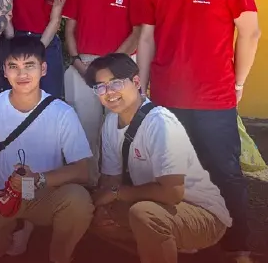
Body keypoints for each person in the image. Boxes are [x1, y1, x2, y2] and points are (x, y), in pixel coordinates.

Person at [138, 0, 260, 263]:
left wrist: (239, 81)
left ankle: (237, 245)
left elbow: (250, 32)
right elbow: (146, 38)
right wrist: (142, 86)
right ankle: (191, 232)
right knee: (175, 172)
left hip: (214, 97)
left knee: (224, 171)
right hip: (166, 97)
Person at [0, 35, 93, 262]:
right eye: (13, 66)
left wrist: (39, 179)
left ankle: (59, 256)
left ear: (43, 69)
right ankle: (9, 233)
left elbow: (82, 170)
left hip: (44, 192)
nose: (22, 74)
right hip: (2, 192)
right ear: (4, 71)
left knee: (79, 201)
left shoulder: (62, 112)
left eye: (29, 66)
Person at [86, 53, 232, 263]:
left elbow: (172, 193)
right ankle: (166, 244)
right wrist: (101, 207)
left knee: (145, 215)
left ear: (136, 82)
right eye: (101, 87)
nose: (109, 93)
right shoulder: (110, 122)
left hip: (202, 212)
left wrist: (117, 193)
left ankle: (173, 242)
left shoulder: (160, 122)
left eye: (116, 83)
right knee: (86, 212)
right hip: (152, 203)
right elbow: (111, 179)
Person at [62, 0, 144, 186]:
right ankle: (88, 184)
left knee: (119, 129)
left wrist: (110, 66)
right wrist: (77, 62)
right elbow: (69, 30)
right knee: (85, 129)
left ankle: (116, 187)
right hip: (84, 67)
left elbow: (137, 32)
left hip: (120, 67)